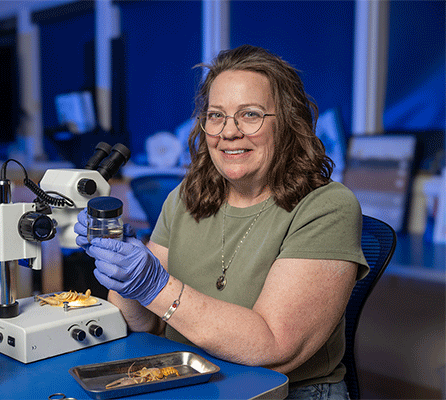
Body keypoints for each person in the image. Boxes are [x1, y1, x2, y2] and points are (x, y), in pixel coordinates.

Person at [75, 44, 368, 399]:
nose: (228, 132)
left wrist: (156, 286)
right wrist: (124, 275)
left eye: (250, 114)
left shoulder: (327, 207)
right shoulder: (186, 197)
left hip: (282, 391)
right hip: (186, 380)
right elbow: (143, 322)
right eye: (216, 115)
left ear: (289, 124)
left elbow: (275, 348)